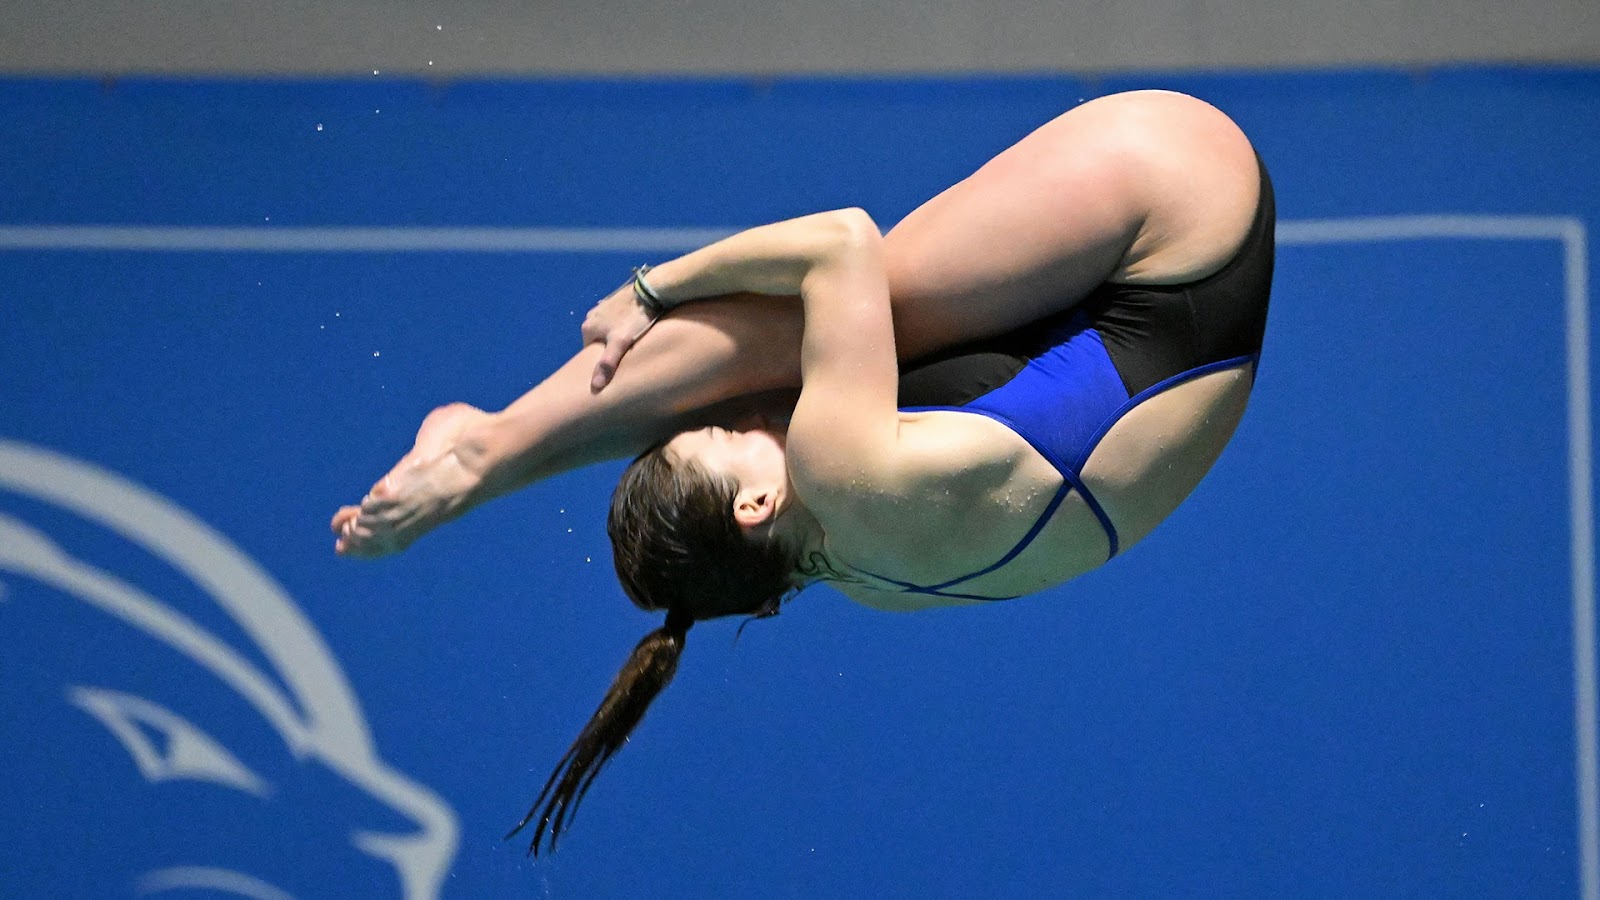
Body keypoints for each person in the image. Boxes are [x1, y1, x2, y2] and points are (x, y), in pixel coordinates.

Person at [331, 89, 1275, 853]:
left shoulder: (870, 579)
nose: (740, 419)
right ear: (754, 500)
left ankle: (491, 454)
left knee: (841, 357)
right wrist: (655, 289)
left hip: (1182, 340)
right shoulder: (840, 467)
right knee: (816, 325)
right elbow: (840, 241)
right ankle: (486, 451)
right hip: (1178, 198)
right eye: (722, 435)